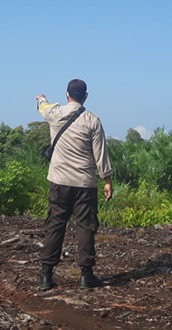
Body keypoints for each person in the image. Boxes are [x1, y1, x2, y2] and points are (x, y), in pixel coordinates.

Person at [35, 79, 113, 290]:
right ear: (85, 96)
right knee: (86, 227)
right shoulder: (93, 120)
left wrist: (41, 97)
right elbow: (101, 154)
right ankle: (86, 276)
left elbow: (43, 107)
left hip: (59, 182)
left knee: (55, 226)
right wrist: (107, 180)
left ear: (66, 95)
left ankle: (46, 276)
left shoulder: (55, 113)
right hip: (85, 183)